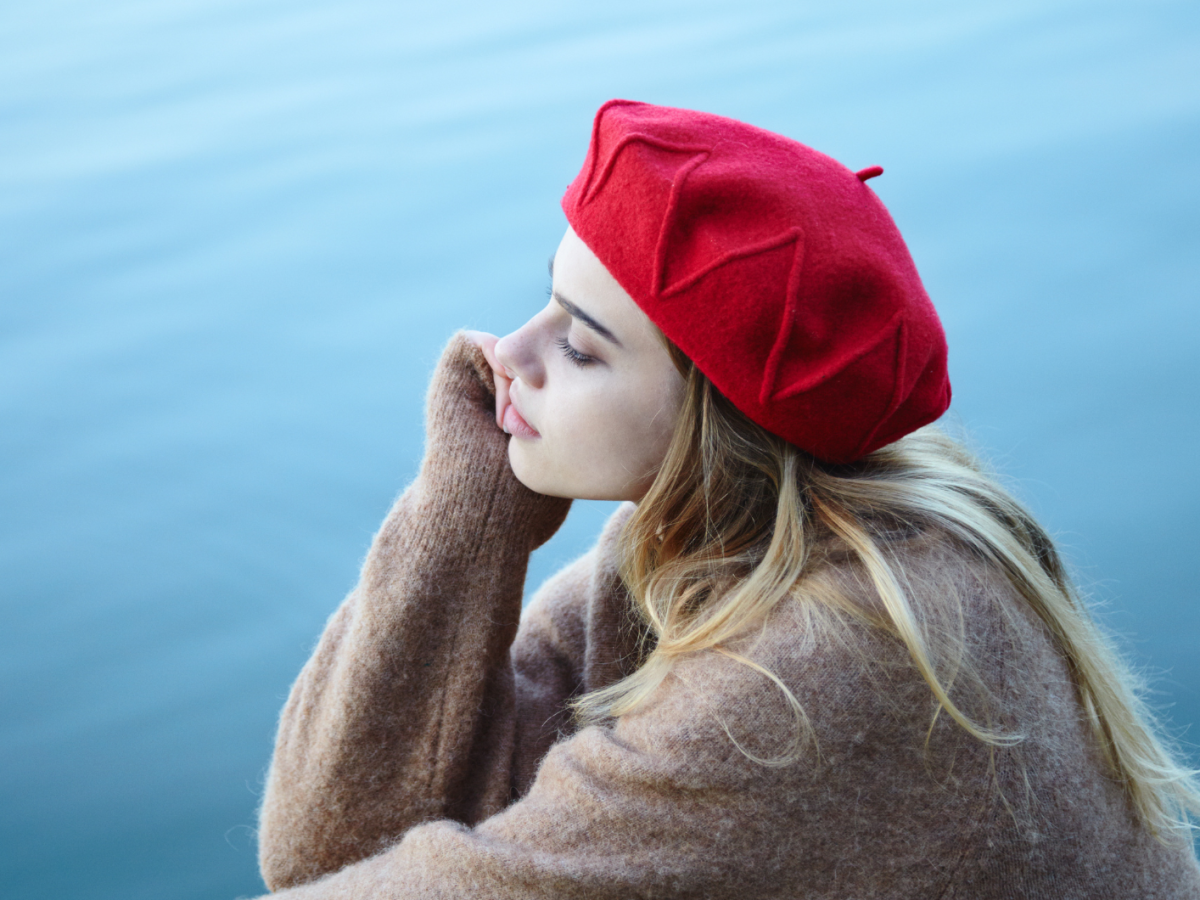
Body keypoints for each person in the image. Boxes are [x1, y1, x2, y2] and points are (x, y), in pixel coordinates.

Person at [253, 100, 1200, 898]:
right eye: (545, 299)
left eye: (581, 347)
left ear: (719, 420)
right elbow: (323, 849)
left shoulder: (822, 664)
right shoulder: (695, 547)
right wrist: (468, 512)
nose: (509, 353)